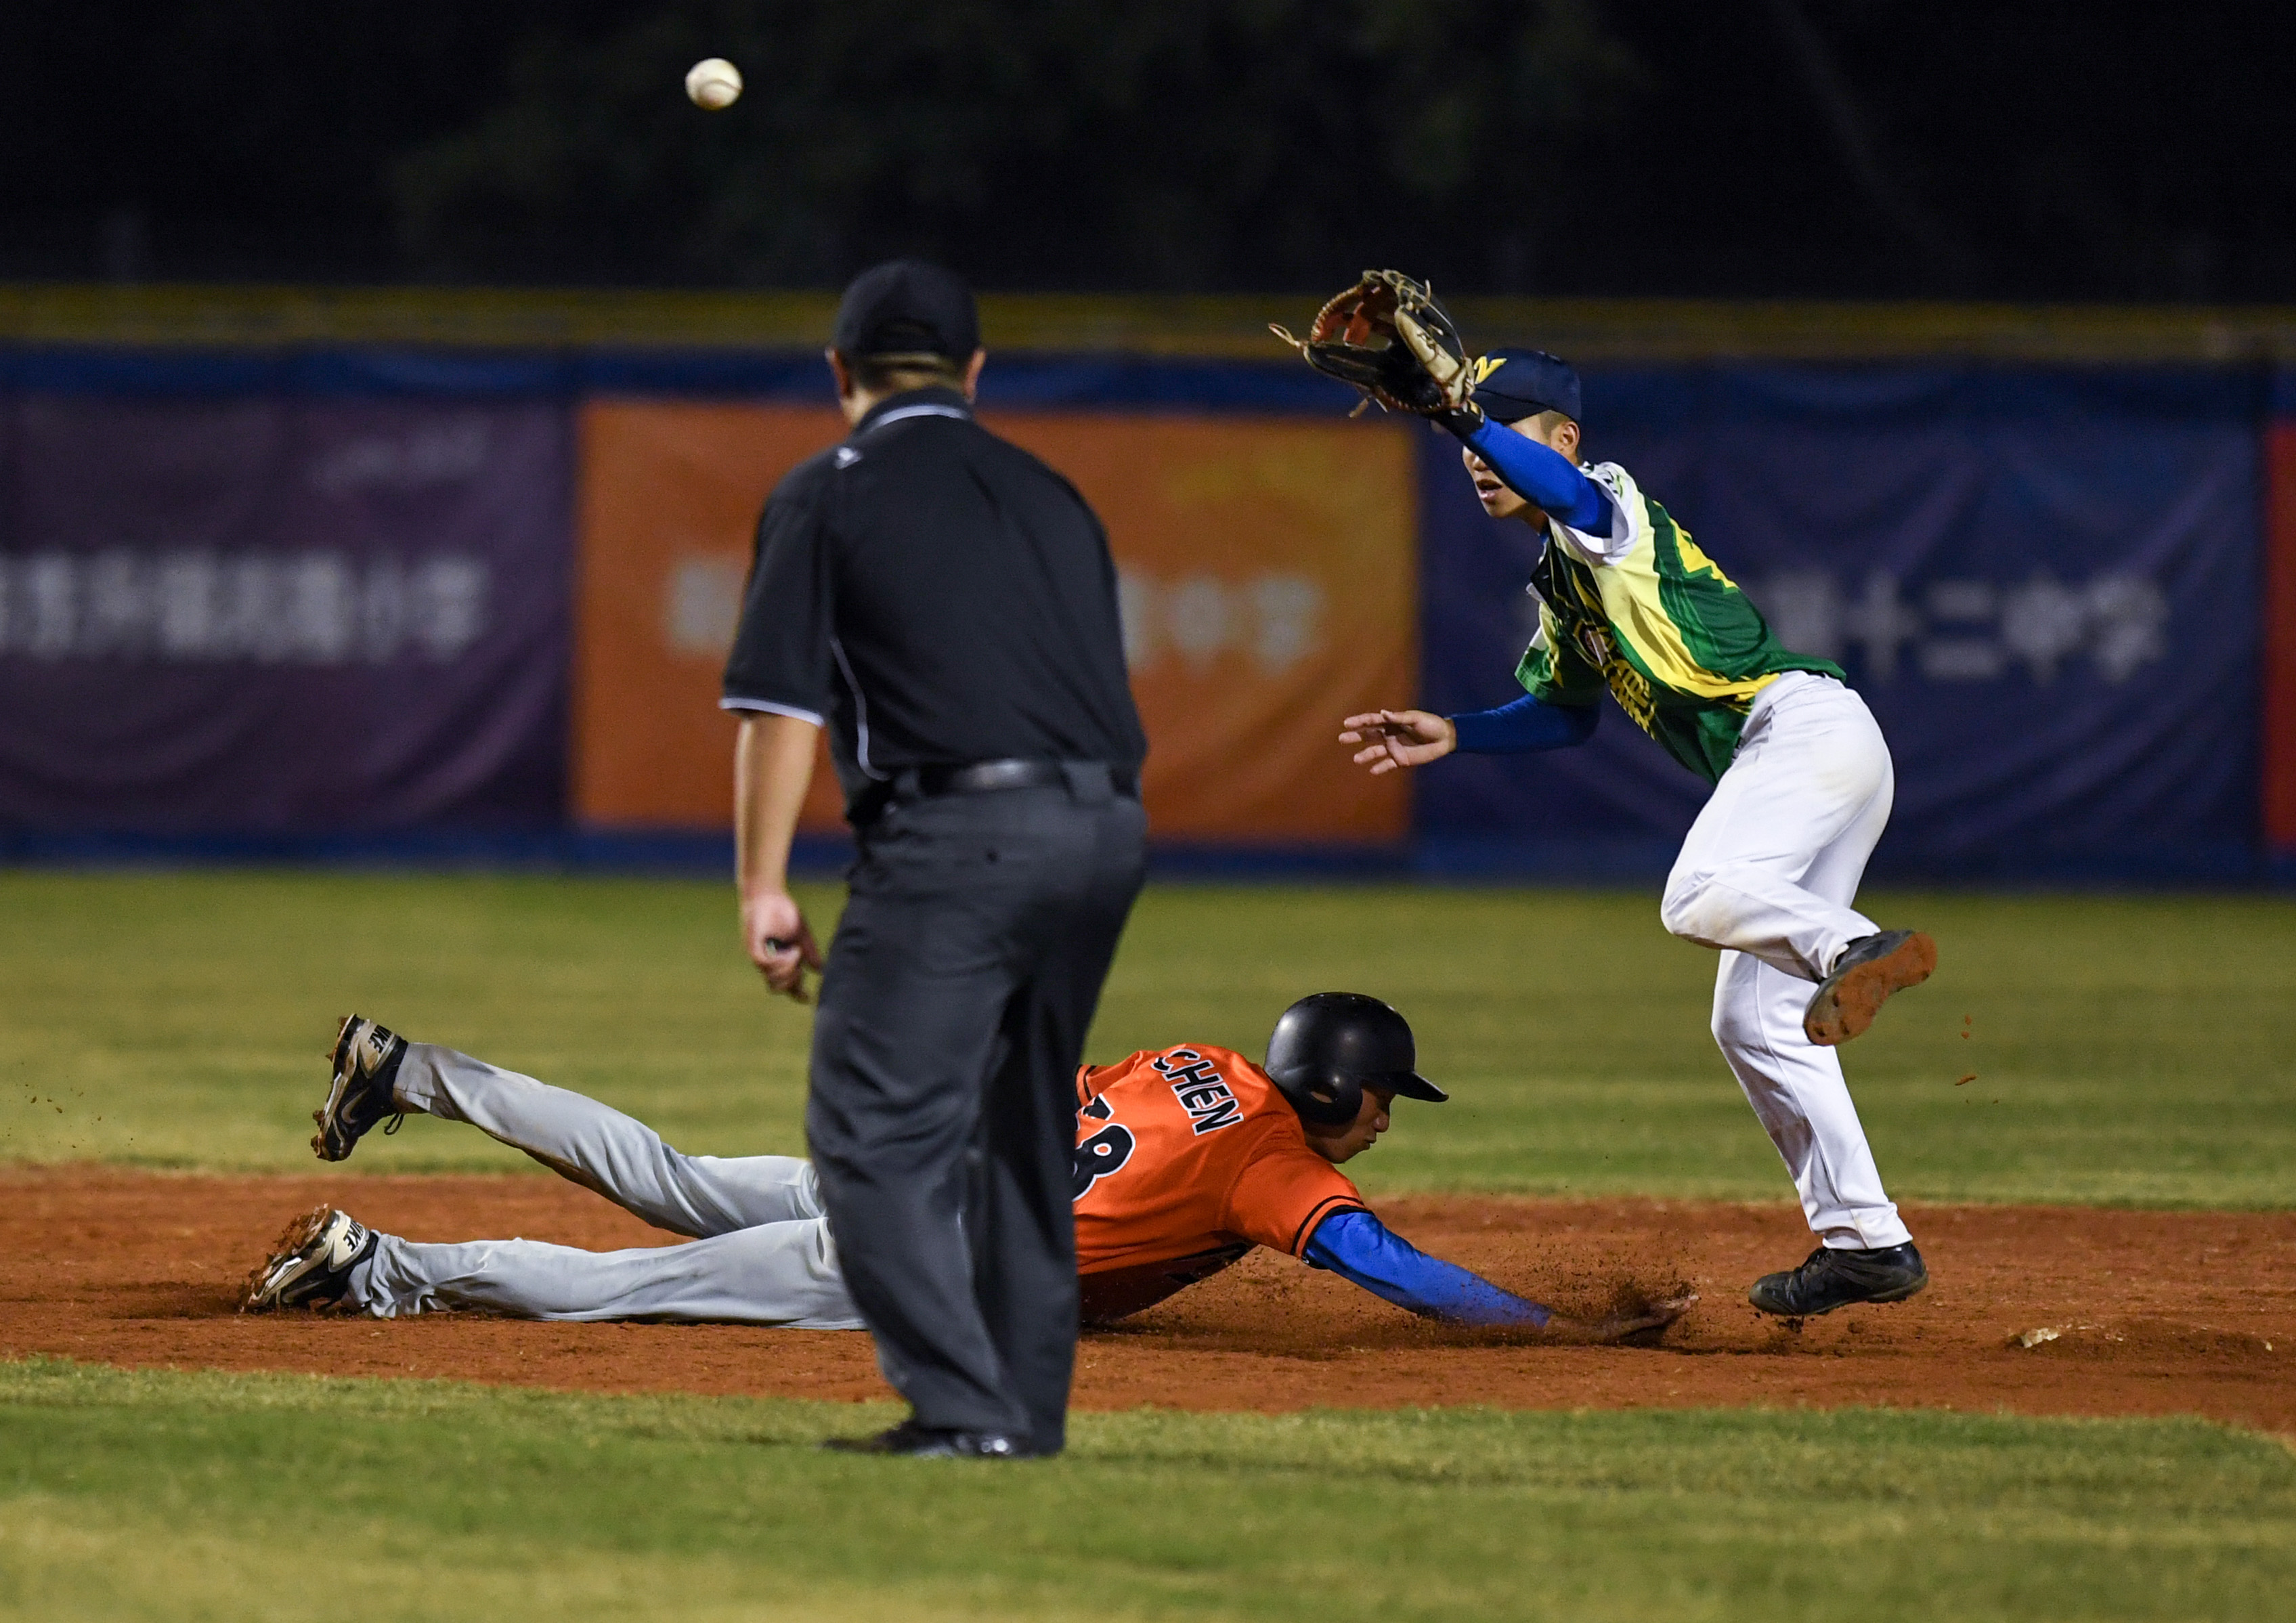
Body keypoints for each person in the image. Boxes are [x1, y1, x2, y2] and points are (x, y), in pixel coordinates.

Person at [1340, 348, 1936, 1320]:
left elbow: (1564, 491)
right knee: (1749, 1020)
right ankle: (1866, 1240)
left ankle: (1853, 944)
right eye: (1467, 439)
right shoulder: (1563, 580)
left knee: (1695, 893)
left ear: (1564, 441)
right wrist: (1458, 733)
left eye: (1501, 431)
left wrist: (1455, 412)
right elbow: (1568, 712)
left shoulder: (1607, 505)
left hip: (1800, 731)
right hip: (1815, 756)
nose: (1477, 458)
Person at [724, 259, 1146, 1457]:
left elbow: (775, 705)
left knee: (872, 1131)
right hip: (1108, 828)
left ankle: (963, 1405)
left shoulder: (827, 490)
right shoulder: (1053, 492)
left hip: (963, 834)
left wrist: (762, 884)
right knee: (1024, 1131)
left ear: (839, 374)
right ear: (972, 374)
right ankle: (1022, 1416)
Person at [250, 1006, 1693, 1347]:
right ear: (1333, 1089)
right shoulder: (1269, 1160)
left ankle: (413, 1068)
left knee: (669, 1174)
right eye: (1383, 1098)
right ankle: (379, 1266)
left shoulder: (1196, 1059)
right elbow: (1377, 1262)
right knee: (638, 1285)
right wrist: (1547, 1329)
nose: (1388, 1119)